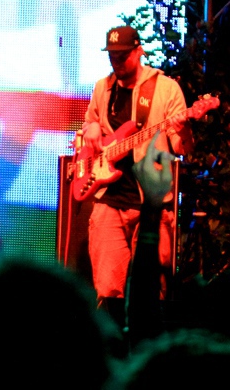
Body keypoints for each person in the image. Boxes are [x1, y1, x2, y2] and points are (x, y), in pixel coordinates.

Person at [81, 26, 192, 323]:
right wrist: (91, 127)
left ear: (139, 51)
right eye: (112, 56)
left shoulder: (165, 89)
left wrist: (184, 129)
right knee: (107, 293)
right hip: (110, 200)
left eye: (122, 56)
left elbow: (181, 147)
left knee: (151, 295)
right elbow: (89, 126)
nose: (116, 62)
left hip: (151, 206)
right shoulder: (102, 88)